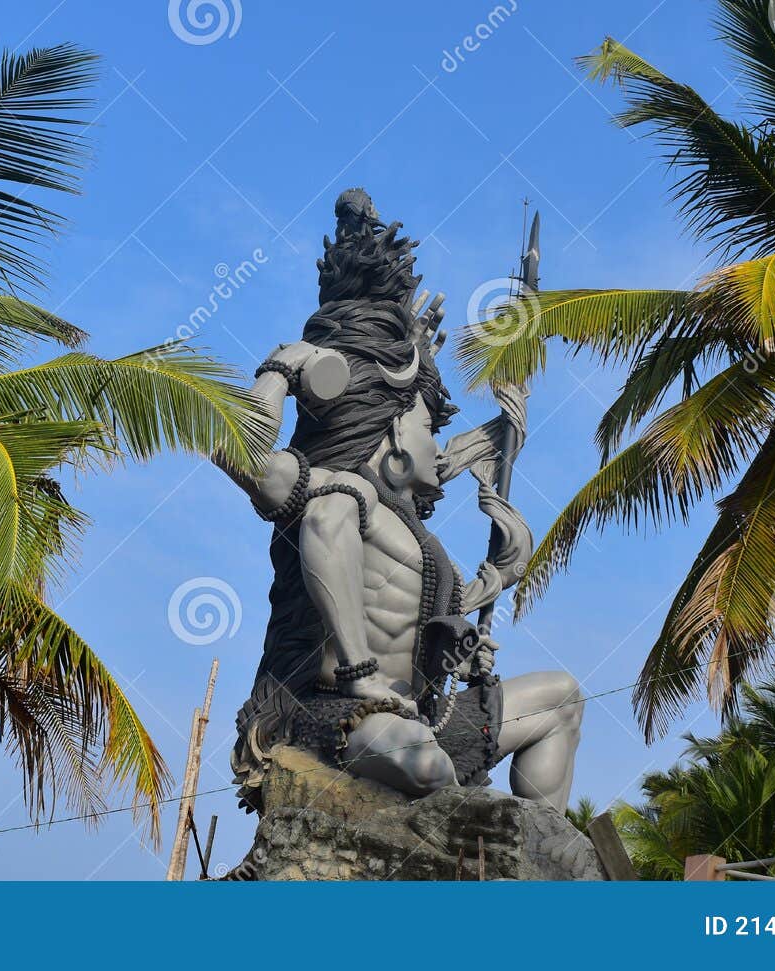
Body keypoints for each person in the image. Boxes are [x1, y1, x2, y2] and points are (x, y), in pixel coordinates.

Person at [219, 189, 584, 815]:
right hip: (335, 714)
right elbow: (240, 448)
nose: (439, 446)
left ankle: (530, 856)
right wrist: (283, 367)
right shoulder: (337, 492)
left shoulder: (421, 544)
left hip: (424, 715)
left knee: (562, 697)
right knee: (423, 763)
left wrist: (462, 649)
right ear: (391, 438)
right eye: (427, 429)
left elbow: (418, 636)